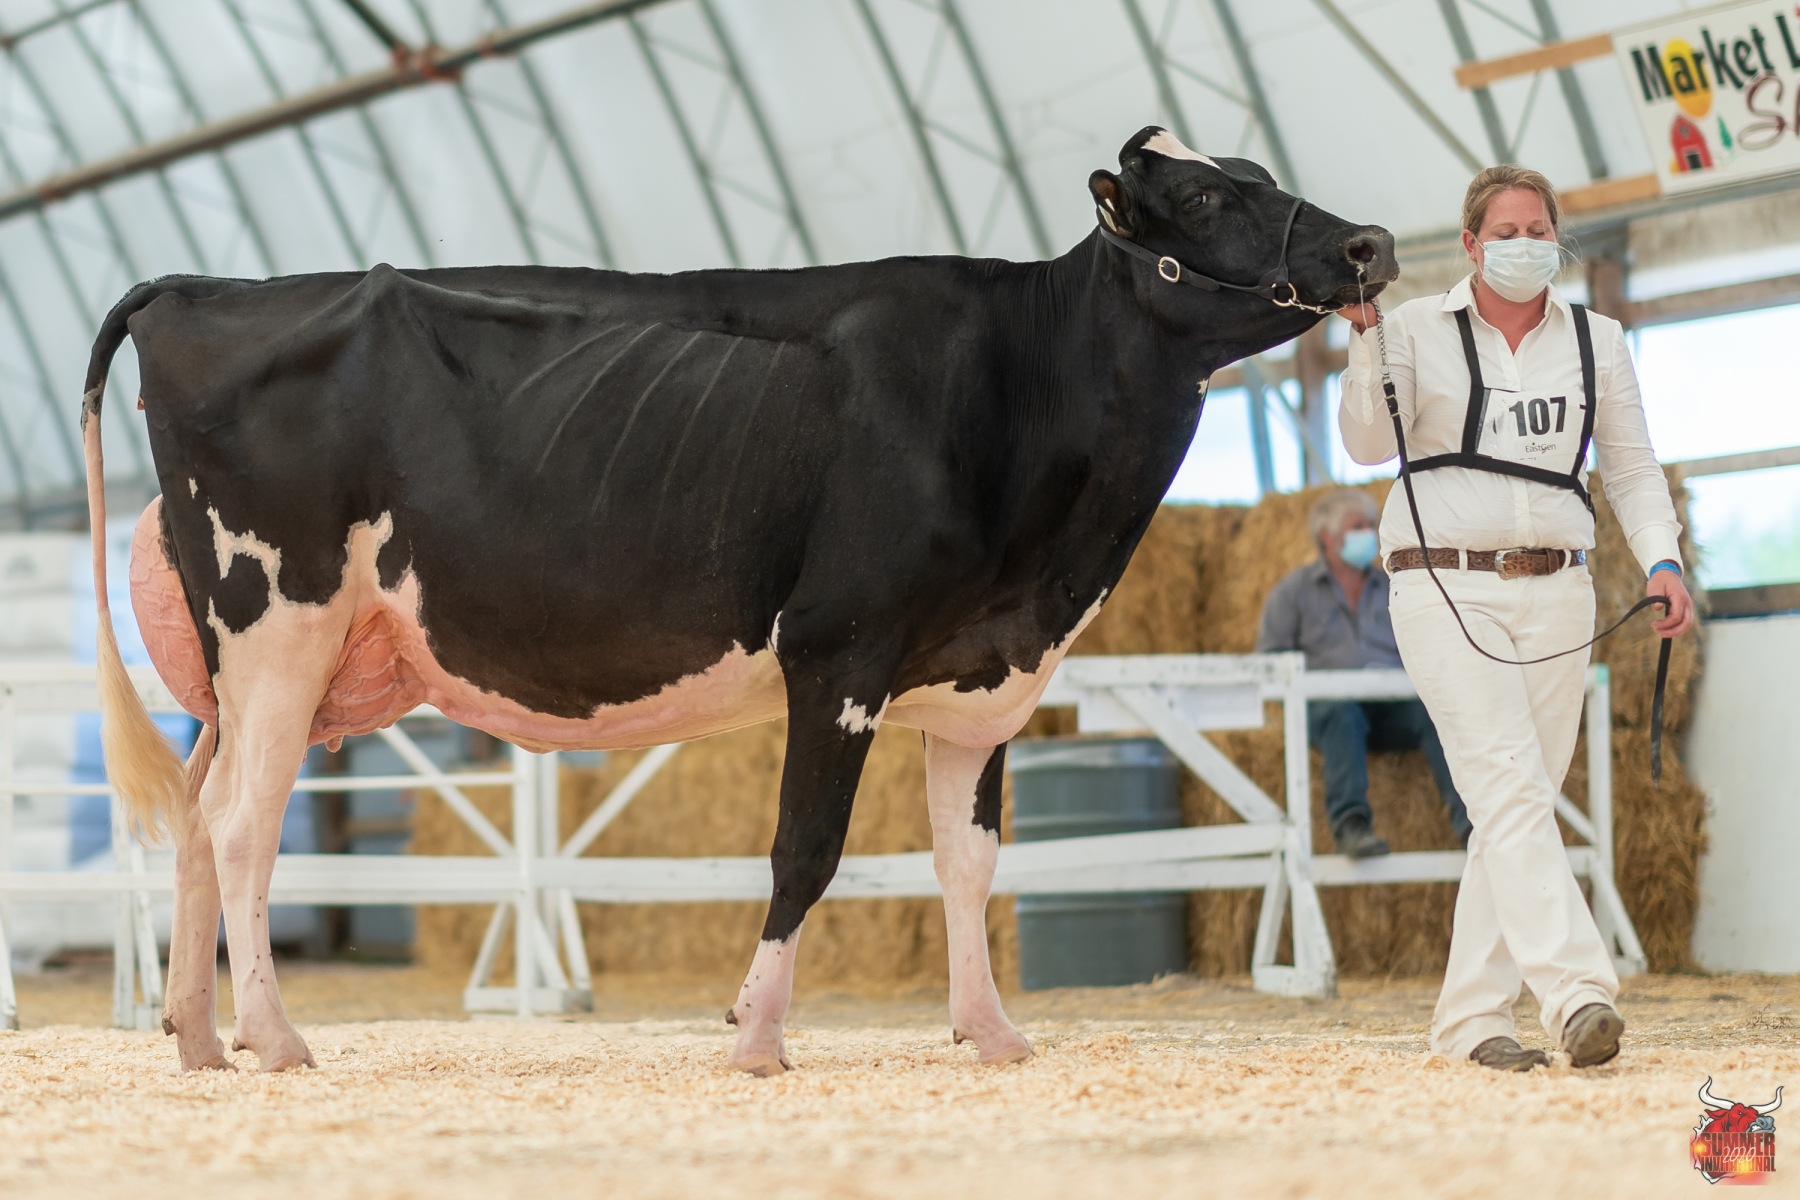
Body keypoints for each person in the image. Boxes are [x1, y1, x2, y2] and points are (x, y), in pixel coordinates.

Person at [1335, 165, 1694, 1073]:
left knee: (1517, 800)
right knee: (1507, 783)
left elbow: (1630, 464)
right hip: (1444, 583)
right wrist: (1365, 342)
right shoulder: (1415, 328)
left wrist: (1662, 557)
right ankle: (1577, 994)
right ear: (1471, 244)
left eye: (1538, 229)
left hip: (1560, 585)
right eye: (1505, 231)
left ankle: (1470, 1022)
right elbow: (1368, 444)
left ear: (1556, 239)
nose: (1524, 244)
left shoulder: (1597, 341)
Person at [1257, 488, 1471, 860]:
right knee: (1342, 714)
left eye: (1371, 525)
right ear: (1328, 536)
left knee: (1434, 714)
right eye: (1358, 526)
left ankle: (1471, 826)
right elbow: (1269, 661)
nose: (1369, 534)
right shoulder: (1293, 593)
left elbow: (1427, 647)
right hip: (1328, 713)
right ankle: (1351, 827)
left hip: (1390, 708)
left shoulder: (1395, 586)